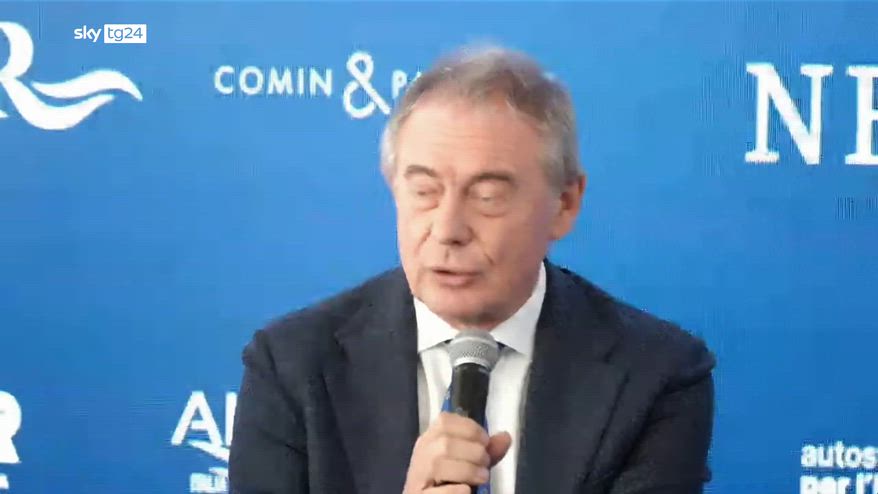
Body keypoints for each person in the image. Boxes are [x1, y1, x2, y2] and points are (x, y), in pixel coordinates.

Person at [228, 44, 715, 494]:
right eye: (424, 191)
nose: (447, 230)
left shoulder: (656, 376)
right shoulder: (293, 367)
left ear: (565, 204)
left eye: (487, 196)